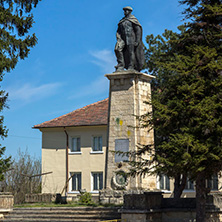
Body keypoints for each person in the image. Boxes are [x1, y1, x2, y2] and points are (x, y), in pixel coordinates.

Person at [115, 6, 145, 72]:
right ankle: (121, 65)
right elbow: (118, 31)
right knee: (117, 49)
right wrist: (118, 38)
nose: (125, 12)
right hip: (122, 39)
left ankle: (131, 66)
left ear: (130, 11)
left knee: (131, 52)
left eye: (126, 11)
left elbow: (138, 30)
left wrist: (137, 40)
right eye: (124, 11)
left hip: (131, 38)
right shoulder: (122, 21)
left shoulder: (133, 20)